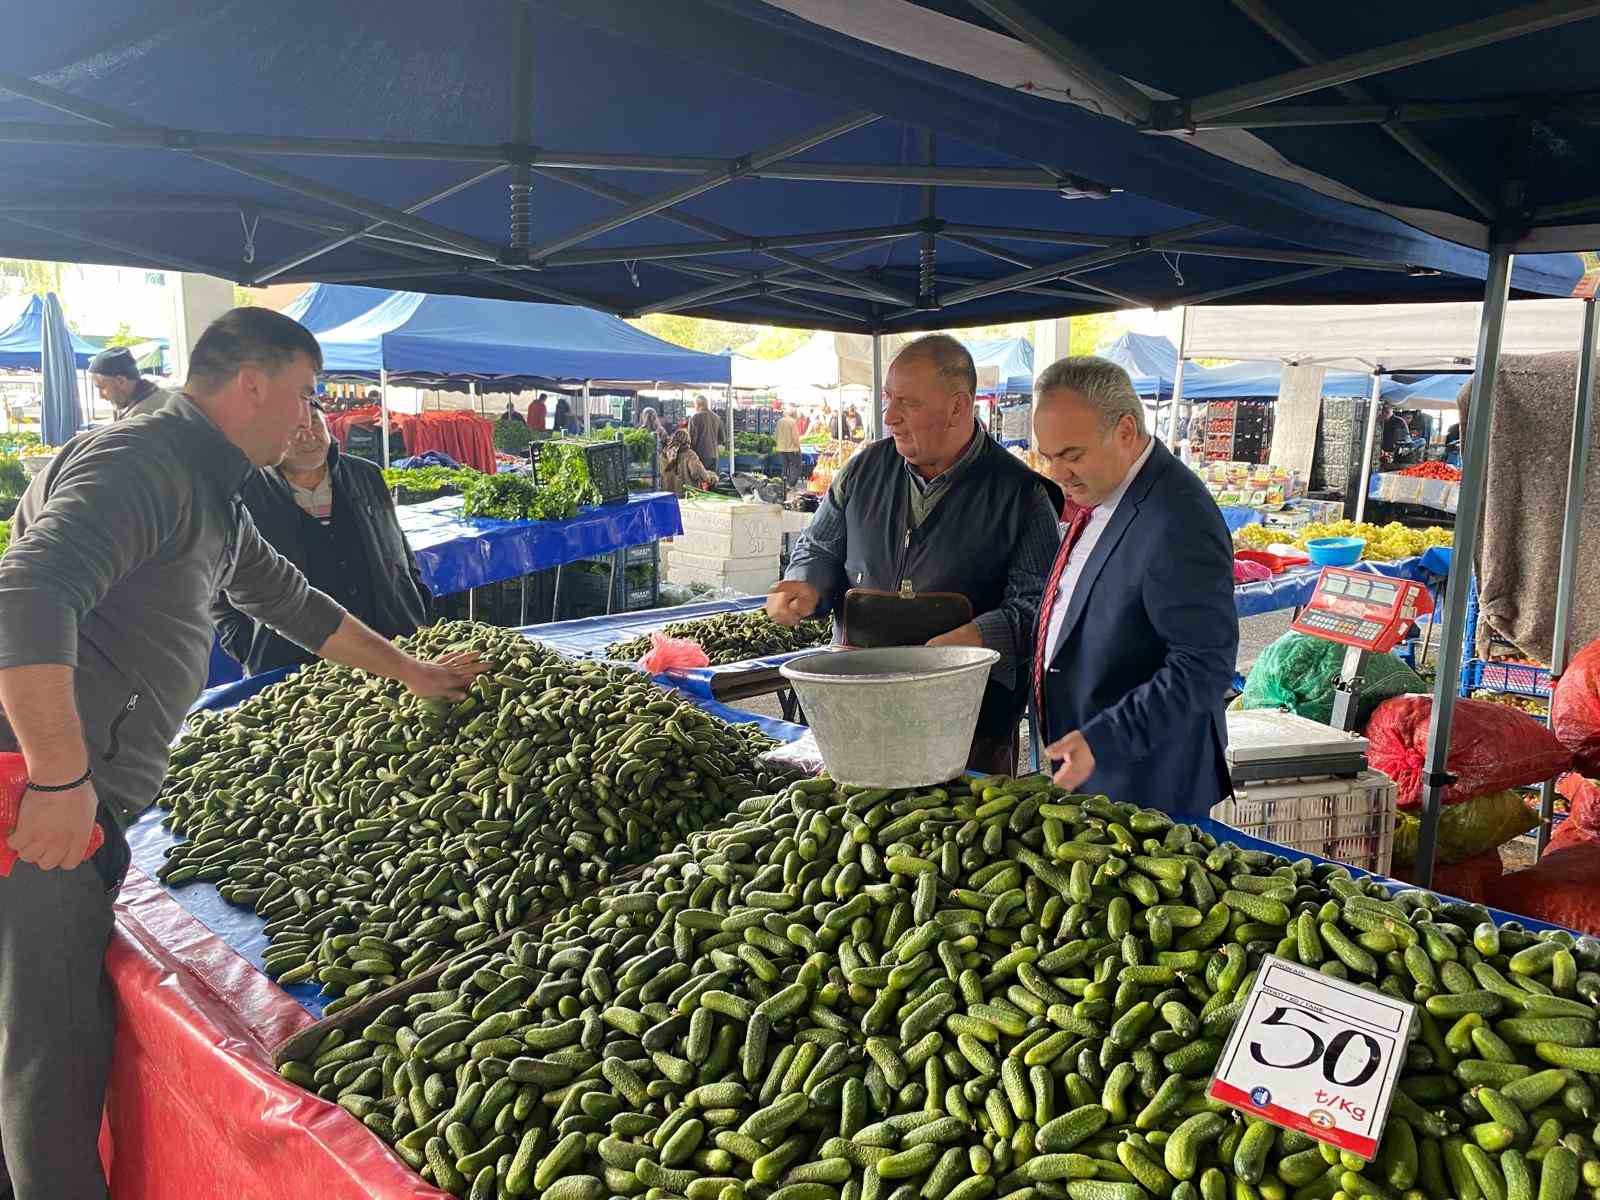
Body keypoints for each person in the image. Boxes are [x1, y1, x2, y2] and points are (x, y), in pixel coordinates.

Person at [0, 307, 486, 1200]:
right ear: (251, 385)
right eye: (304, 396)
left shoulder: (202, 477)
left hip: (67, 782)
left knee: (33, 1024)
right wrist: (61, 779)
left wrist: (411, 670)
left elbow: (293, 604)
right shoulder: (147, 462)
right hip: (38, 791)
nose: (312, 421)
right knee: (50, 1040)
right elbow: (23, 596)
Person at [769, 335, 1060, 773]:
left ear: (959, 407)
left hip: (968, 726)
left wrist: (973, 641)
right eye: (887, 398)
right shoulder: (862, 470)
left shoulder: (1022, 494)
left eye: (908, 402)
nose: (889, 417)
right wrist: (806, 581)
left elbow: (1039, 606)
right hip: (857, 710)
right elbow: (820, 546)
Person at [1030, 356, 1237, 817]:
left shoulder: (1179, 518)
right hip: (1093, 769)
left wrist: (1104, 739)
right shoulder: (1104, 491)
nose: (1057, 473)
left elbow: (1204, 667)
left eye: (1072, 455)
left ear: (1125, 431)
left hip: (1144, 782)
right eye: (1049, 457)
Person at [212, 400, 432, 675]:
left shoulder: (366, 475)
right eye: (293, 427)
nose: (308, 436)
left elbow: (400, 551)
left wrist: (415, 609)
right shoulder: (242, 492)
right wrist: (247, 645)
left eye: (314, 422)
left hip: (390, 649)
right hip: (293, 671)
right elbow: (218, 589)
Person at [87, 346, 170, 420]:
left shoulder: (140, 417)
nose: (101, 396)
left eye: (102, 387)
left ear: (121, 381)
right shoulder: (161, 395)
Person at [661, 428, 715, 496]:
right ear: (688, 441)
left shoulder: (664, 454)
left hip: (667, 496)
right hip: (686, 497)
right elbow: (697, 472)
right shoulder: (690, 454)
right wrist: (712, 477)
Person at [687, 396, 724, 475]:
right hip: (714, 455)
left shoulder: (695, 417)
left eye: (695, 404)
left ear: (698, 404)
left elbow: (691, 439)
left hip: (700, 455)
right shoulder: (717, 417)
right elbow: (722, 438)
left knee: (700, 482)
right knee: (712, 481)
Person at [775, 406, 802, 490]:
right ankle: (792, 485)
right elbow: (795, 437)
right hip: (791, 449)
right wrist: (798, 447)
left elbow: (775, 435)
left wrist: (778, 444)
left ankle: (783, 485)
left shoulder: (779, 421)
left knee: (784, 467)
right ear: (793, 415)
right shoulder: (792, 422)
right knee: (794, 466)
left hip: (781, 448)